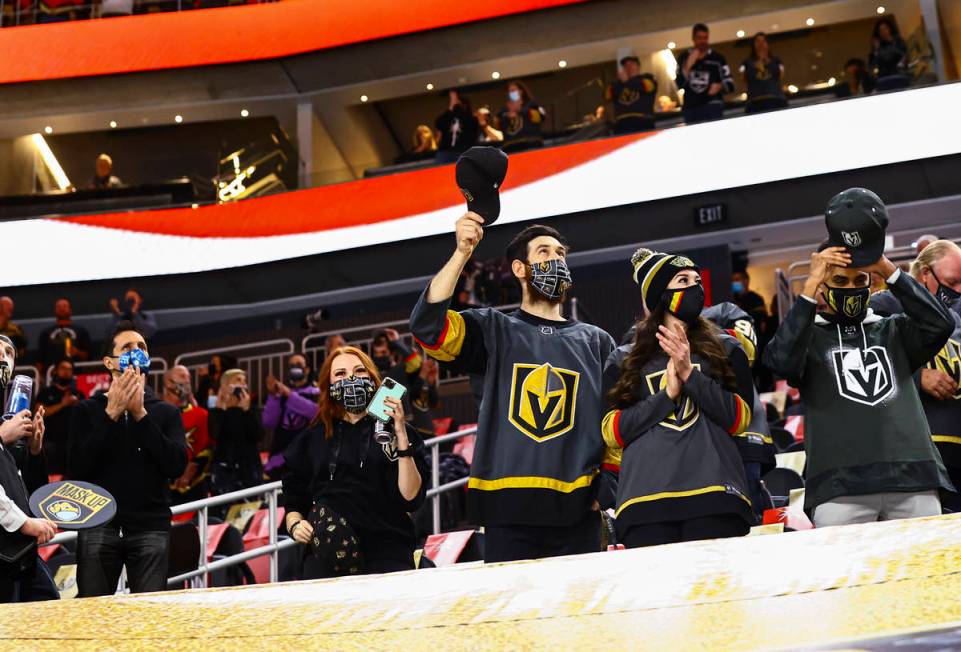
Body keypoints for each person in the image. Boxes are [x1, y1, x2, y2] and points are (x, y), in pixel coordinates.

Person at [410, 217, 617, 563]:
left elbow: (616, 420)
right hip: (505, 510)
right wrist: (462, 253)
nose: (557, 259)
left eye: (561, 253)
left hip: (578, 509)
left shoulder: (597, 341)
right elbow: (427, 328)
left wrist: (607, 489)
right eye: (544, 252)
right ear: (520, 269)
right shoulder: (492, 328)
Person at [762, 189, 953, 527]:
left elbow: (940, 323)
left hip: (914, 477)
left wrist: (887, 268)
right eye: (839, 280)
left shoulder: (894, 330)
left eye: (859, 279)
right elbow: (779, 362)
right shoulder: (809, 337)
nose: (850, 288)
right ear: (823, 287)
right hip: (839, 485)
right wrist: (809, 288)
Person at [603, 249, 754, 547]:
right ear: (659, 295)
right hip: (644, 502)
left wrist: (690, 375)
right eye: (682, 281)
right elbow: (612, 431)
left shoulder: (728, 348)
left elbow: (739, 419)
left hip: (715, 495)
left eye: (696, 281)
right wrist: (667, 395)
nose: (695, 288)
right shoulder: (623, 359)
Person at [282, 346, 427, 577]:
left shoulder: (399, 433)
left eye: (359, 371)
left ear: (372, 378)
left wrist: (400, 434)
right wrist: (295, 525)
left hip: (387, 553)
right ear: (328, 386)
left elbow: (411, 498)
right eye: (340, 374)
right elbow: (294, 500)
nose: (350, 378)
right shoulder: (312, 438)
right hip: (327, 555)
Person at [68, 321, 187, 597]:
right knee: (93, 616)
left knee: (148, 618)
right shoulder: (85, 411)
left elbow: (176, 465)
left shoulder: (166, 412)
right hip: (98, 526)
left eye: (142, 347)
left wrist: (141, 416)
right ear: (109, 362)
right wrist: (110, 416)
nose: (136, 352)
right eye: (127, 347)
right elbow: (77, 469)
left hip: (150, 527)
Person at [870, 240, 961, 511]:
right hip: (912, 450)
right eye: (952, 281)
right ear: (924, 273)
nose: (958, 291)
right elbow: (862, 363)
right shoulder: (885, 304)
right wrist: (918, 376)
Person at [0, 335, 59, 603]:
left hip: (18, 551)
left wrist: (34, 449)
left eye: (9, 352)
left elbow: (32, 490)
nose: (3, 355)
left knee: (49, 608)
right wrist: (24, 523)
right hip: (8, 545)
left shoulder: (10, 413)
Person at [208, 368, 264, 495]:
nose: (243, 384)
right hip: (225, 471)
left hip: (249, 469)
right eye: (238, 380)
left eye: (244, 381)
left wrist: (247, 410)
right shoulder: (218, 409)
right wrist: (220, 407)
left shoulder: (251, 409)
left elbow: (259, 435)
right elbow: (214, 434)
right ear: (226, 385)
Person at [163, 365, 213, 506]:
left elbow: (208, 447)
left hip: (195, 488)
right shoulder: (155, 414)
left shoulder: (201, 414)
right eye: (182, 376)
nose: (187, 381)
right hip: (163, 489)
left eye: (189, 378)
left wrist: (194, 465)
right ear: (168, 383)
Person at [676, 23, 735, 124]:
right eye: (699, 38)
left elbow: (731, 85)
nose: (703, 41)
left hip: (713, 106)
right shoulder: (683, 58)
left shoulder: (718, 58)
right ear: (693, 38)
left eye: (705, 38)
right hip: (691, 109)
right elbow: (678, 85)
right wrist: (687, 66)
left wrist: (720, 87)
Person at [263, 354, 320, 456]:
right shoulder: (280, 394)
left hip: (307, 455)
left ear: (307, 369)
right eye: (291, 365)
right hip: (281, 455)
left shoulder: (316, 392)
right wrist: (273, 396)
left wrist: (289, 394)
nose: (294, 367)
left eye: (298, 364)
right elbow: (269, 422)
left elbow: (316, 412)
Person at [35, 359, 85, 475]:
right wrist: (63, 404)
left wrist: (79, 406)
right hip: (51, 442)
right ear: (55, 371)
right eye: (63, 368)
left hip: (73, 443)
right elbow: (40, 412)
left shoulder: (78, 394)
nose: (66, 372)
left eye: (69, 369)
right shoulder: (46, 392)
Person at [37, 298, 91, 374]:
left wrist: (77, 352)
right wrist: (40, 377)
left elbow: (88, 356)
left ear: (70, 310)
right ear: (55, 311)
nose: (61, 308)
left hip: (76, 374)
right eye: (58, 306)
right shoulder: (46, 333)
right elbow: (40, 359)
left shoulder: (81, 331)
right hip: (52, 375)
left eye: (64, 306)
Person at [605, 55, 657, 134]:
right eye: (625, 65)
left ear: (638, 67)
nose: (629, 67)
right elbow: (607, 95)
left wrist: (627, 81)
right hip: (621, 124)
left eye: (632, 64)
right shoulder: (617, 84)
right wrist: (621, 82)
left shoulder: (647, 78)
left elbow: (647, 87)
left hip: (643, 121)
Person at [740, 32, 787, 114]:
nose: (761, 44)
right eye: (758, 41)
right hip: (755, 102)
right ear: (753, 45)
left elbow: (781, 75)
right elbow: (742, 78)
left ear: (768, 44)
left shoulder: (777, 61)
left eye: (763, 41)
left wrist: (768, 62)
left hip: (776, 99)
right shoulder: (746, 63)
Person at [495, 81, 547, 153]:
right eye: (508, 92)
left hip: (531, 144)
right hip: (510, 147)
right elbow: (497, 126)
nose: (510, 93)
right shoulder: (504, 110)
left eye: (513, 90)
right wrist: (507, 116)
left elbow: (542, 116)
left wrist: (520, 110)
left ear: (521, 91)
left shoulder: (532, 104)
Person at [435, 90, 480, 164]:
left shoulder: (471, 118)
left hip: (463, 151)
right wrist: (450, 108)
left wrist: (459, 107)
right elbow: (439, 124)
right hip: (446, 151)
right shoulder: (448, 117)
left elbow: (471, 127)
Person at [869, 16, 909, 90]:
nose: (883, 31)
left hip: (899, 75)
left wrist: (892, 42)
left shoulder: (899, 41)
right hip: (884, 78)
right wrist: (876, 49)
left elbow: (904, 56)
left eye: (885, 28)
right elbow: (872, 64)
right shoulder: (877, 45)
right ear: (878, 33)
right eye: (880, 30)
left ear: (890, 28)